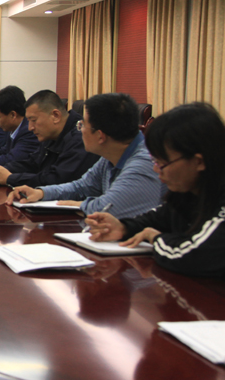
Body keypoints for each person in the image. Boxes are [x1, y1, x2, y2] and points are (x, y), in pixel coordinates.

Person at [85, 103, 225, 277]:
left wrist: (156, 238)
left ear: (199, 162)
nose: (155, 169)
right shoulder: (188, 191)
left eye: (162, 163)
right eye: (155, 161)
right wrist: (124, 228)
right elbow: (158, 218)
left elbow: (193, 255)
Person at [8, 93, 162, 219]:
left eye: (82, 125)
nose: (79, 130)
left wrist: (81, 205)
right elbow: (82, 186)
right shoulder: (110, 156)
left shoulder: (145, 162)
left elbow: (109, 208)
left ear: (100, 136)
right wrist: (41, 193)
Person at [0, 90, 98, 187]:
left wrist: (10, 178)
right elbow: (33, 163)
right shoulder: (50, 134)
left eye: (34, 120)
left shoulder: (81, 137)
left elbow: (58, 179)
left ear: (55, 116)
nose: (30, 127)